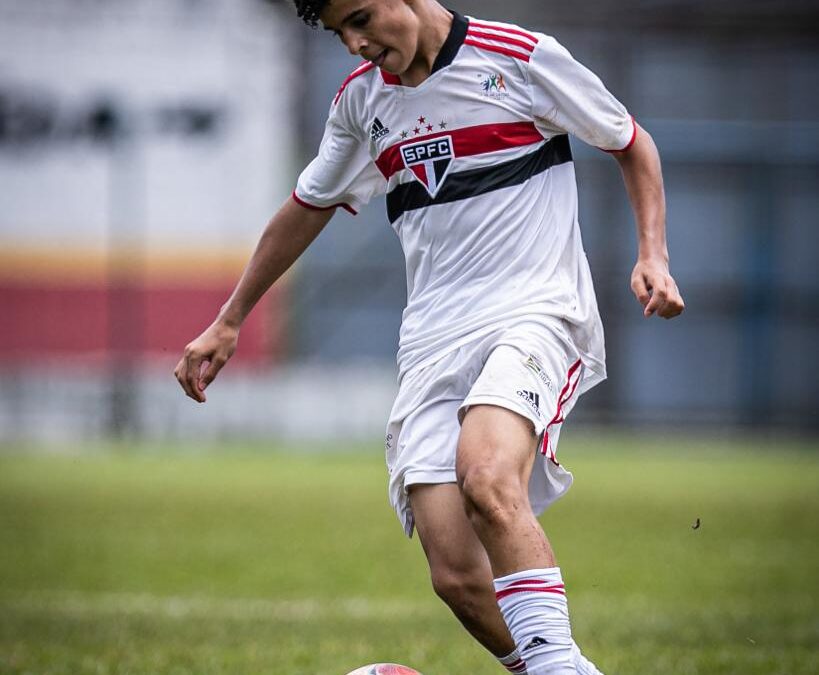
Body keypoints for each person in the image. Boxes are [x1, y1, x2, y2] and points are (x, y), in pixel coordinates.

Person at [174, 1, 685, 672]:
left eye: (360, 17)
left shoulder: (518, 57)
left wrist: (652, 253)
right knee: (455, 573)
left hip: (533, 311)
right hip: (432, 341)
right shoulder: (360, 105)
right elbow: (307, 205)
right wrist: (231, 317)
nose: (356, 44)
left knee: (487, 473)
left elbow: (629, 142)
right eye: (339, 33)